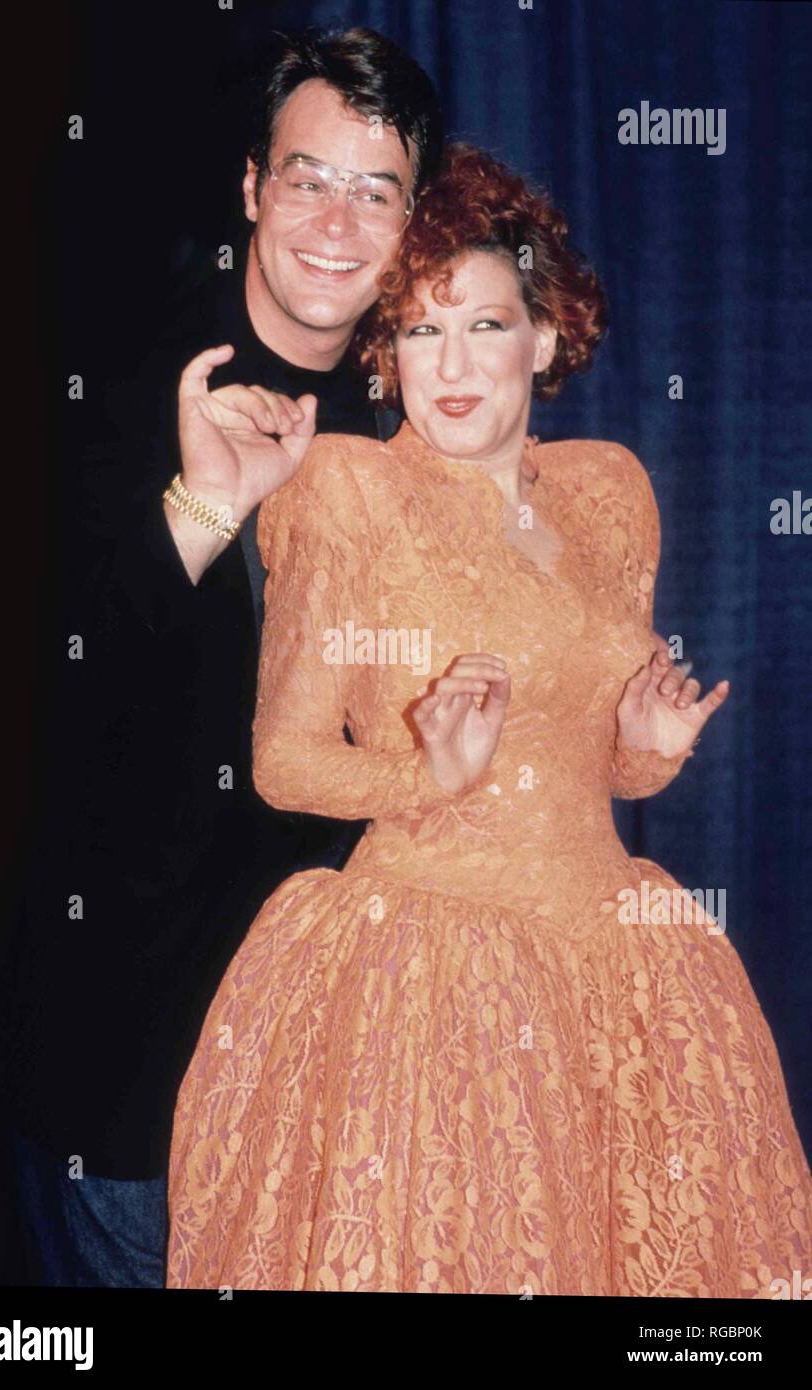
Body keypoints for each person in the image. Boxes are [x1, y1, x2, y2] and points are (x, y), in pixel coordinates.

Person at [166, 144, 812, 1295]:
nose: (449, 364)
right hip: (429, 969)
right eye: (418, 331)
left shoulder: (610, 491)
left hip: (619, 971)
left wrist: (648, 750)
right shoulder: (349, 491)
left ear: (546, 337)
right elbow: (281, 761)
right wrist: (427, 773)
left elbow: (596, 750)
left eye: (482, 326)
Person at [0, 26, 442, 1288]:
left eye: (375, 190)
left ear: (412, 219)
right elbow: (26, 696)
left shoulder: (425, 416)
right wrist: (198, 509)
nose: (337, 224)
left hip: (329, 1064)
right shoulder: (109, 366)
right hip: (127, 1064)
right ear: (251, 187)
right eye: (307, 177)